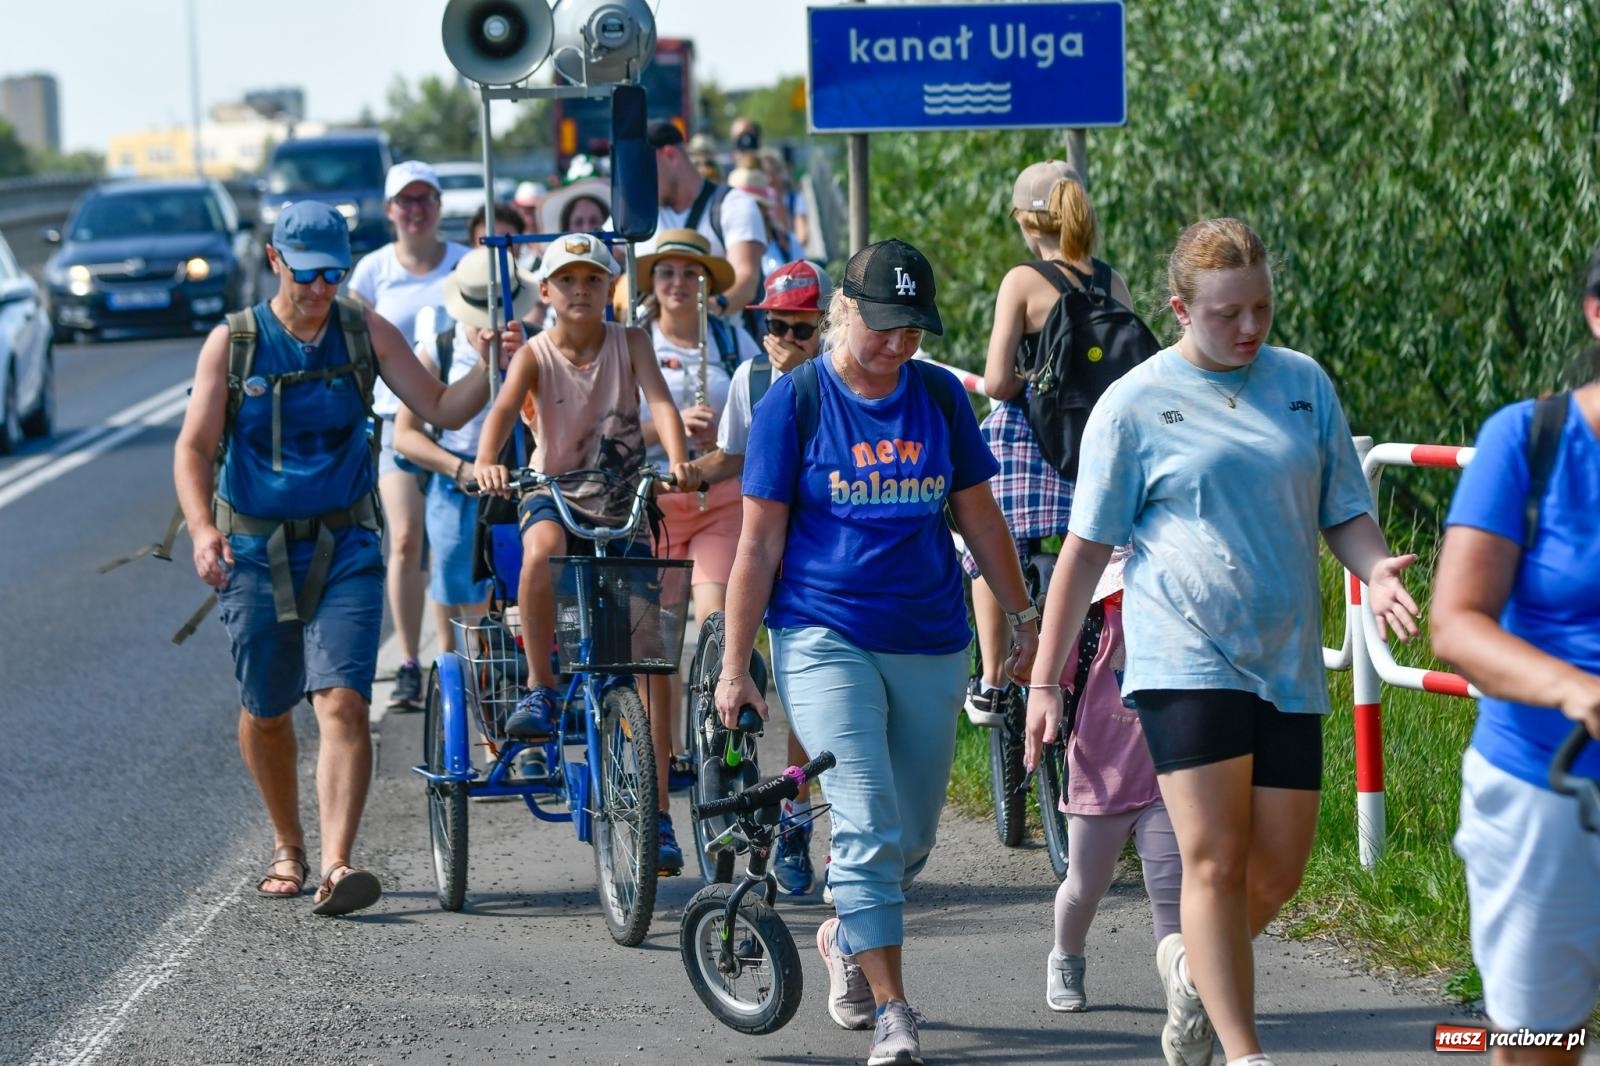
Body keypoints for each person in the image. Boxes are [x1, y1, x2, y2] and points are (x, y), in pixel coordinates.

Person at [1023, 217, 1420, 1066]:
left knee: (1277, 870)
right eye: (1227, 313)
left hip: (1286, 659)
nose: (1249, 328)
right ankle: (1243, 1053)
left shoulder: (1302, 383)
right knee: (1213, 862)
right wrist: (1045, 680)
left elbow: (1344, 509)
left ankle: (1188, 968)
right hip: (1182, 657)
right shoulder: (1134, 404)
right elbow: (1084, 552)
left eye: (1262, 308)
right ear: (1179, 309)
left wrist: (1377, 569)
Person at [716, 239, 1037, 1065]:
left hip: (929, 634)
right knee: (863, 819)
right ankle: (896, 1012)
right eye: (884, 326)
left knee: (909, 837)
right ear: (844, 311)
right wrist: (733, 665)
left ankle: (846, 936)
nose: (898, 344)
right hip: (822, 632)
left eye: (913, 330)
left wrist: (1023, 616)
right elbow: (757, 545)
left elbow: (979, 516)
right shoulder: (795, 402)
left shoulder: (939, 397)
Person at [174, 201, 503, 916]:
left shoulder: (363, 330)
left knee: (344, 700)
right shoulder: (234, 342)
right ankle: (287, 844)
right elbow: (194, 448)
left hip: (345, 543)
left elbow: (443, 408)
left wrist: (494, 362)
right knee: (267, 710)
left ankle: (337, 864)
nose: (321, 287)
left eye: (334, 272)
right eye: (307, 273)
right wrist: (202, 530)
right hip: (254, 548)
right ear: (275, 260)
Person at [472, 232, 702, 871]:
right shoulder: (535, 354)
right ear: (546, 292)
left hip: (622, 498)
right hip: (553, 493)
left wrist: (678, 461)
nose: (581, 290)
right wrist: (488, 462)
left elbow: (662, 402)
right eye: (568, 281)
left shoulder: (632, 342)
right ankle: (541, 688)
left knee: (648, 659)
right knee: (541, 550)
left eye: (594, 279)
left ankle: (657, 814)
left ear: (611, 288)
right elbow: (500, 414)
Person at [1431, 247, 1600, 1066]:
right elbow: (1456, 624)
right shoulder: (1529, 440)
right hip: (1547, 790)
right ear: (1596, 315)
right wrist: (1576, 691)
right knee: (1543, 1045)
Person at [965, 160, 1136, 729]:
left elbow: (996, 383)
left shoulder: (1022, 281)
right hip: (1100, 450)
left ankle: (993, 682)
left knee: (986, 538)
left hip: (1033, 441)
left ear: (1025, 221)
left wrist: (1031, 383)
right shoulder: (1113, 282)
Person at [687, 258, 832, 896]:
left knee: (806, 690)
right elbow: (733, 456)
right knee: (740, 654)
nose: (787, 340)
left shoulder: (839, 378)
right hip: (763, 543)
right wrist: (686, 473)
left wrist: (804, 374)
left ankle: (795, 814)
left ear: (827, 326)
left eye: (802, 328)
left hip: (818, 547)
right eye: (777, 326)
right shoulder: (748, 379)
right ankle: (731, 763)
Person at [633, 229, 761, 855]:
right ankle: (657, 792)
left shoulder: (733, 341)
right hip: (652, 506)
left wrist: (723, 440)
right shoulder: (634, 341)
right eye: (667, 273)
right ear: (652, 283)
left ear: (708, 283)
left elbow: (758, 413)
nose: (679, 284)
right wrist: (670, 429)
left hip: (718, 505)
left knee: (717, 627)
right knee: (654, 651)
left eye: (691, 273)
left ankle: (717, 746)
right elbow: (609, 426)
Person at [347, 160, 471, 712]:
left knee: (451, 545)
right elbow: (351, 342)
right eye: (405, 200)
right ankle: (408, 662)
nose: (415, 210)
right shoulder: (373, 270)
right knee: (404, 541)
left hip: (461, 423)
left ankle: (456, 660)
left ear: (439, 205)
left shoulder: (465, 263)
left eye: (425, 199)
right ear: (389, 209)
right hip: (396, 423)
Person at [1043, 551, 1182, 1014]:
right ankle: (1066, 957)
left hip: (1166, 776)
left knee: (1170, 889)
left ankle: (1182, 986)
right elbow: (1046, 678)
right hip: (1098, 775)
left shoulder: (1182, 622)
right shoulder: (1089, 624)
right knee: (1085, 886)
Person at [393, 247, 539, 654]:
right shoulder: (439, 348)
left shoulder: (538, 343)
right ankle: (485, 671)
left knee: (530, 594)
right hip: (460, 491)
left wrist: (524, 363)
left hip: (526, 484)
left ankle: (524, 671)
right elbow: (404, 435)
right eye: (480, 322)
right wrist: (460, 469)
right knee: (474, 614)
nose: (490, 330)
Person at [642, 120, 766, 317]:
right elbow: (607, 264)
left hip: (720, 333)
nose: (637, 183)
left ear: (670, 155)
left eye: (641, 170)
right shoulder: (638, 213)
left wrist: (707, 310)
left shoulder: (733, 205)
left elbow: (746, 278)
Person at [725, 166, 804, 280]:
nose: (743, 214)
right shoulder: (722, 247)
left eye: (750, 207)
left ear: (764, 209)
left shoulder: (786, 242)